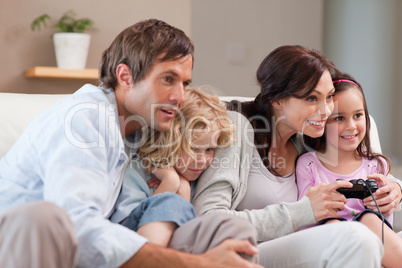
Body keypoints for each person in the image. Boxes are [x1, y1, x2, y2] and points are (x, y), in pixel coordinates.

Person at [0, 19, 261, 268]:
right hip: (29, 243)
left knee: (231, 231)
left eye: (185, 83)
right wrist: (199, 264)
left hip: (102, 238)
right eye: (168, 79)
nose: (180, 96)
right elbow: (78, 227)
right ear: (125, 76)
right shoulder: (85, 120)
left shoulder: (143, 126)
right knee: (42, 217)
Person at [192, 45, 402, 267]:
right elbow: (208, 219)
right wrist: (303, 211)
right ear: (277, 100)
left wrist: (395, 189)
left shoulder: (306, 141)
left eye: (329, 97)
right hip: (249, 251)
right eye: (312, 99)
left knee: (362, 236)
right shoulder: (238, 128)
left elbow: (359, 165)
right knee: (356, 237)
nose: (326, 110)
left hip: (298, 247)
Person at [296, 73, 402, 267]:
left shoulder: (376, 165)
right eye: (339, 118)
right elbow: (306, 216)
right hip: (331, 239)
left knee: (370, 218)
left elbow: (387, 214)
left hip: (377, 241)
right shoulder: (308, 165)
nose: (351, 126)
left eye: (358, 115)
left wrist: (387, 195)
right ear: (322, 121)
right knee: (338, 227)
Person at [110, 88, 235, 247]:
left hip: (178, 247)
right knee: (171, 203)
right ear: (168, 143)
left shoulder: (203, 177)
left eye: (209, 150)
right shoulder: (140, 170)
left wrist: (183, 190)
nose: (202, 160)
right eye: (193, 149)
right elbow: (125, 226)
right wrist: (170, 183)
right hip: (133, 242)